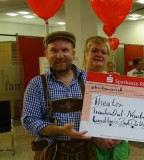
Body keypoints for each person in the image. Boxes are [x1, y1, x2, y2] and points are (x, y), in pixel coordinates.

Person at [21, 31, 94, 159]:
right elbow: (29, 120)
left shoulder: (90, 80)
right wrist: (60, 130)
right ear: (46, 54)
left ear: (73, 53)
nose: (60, 55)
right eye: (54, 50)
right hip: (50, 152)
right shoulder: (36, 84)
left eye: (65, 50)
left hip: (88, 151)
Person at [82, 35, 129, 160]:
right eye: (94, 50)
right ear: (86, 53)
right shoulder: (76, 80)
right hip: (86, 144)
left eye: (104, 52)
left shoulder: (114, 80)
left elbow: (126, 112)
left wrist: (121, 135)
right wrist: (94, 137)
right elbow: (73, 114)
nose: (99, 55)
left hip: (117, 143)